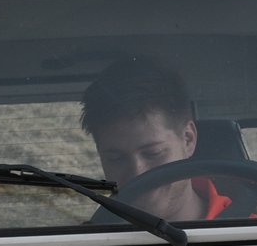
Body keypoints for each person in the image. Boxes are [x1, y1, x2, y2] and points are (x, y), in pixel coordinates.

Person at [80, 61, 234, 222]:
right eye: (116, 159)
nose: (137, 174)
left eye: (153, 153)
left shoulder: (256, 235)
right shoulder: (82, 244)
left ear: (188, 139)